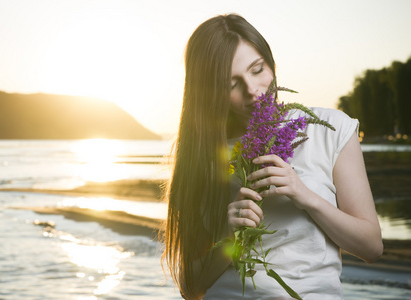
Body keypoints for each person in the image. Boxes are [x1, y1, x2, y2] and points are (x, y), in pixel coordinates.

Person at [162, 14, 383, 299]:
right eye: (231, 85)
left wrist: (306, 196)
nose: (253, 91)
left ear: (271, 62)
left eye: (257, 70)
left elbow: (371, 247)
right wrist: (229, 240)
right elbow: (190, 288)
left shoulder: (331, 129)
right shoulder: (201, 156)